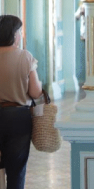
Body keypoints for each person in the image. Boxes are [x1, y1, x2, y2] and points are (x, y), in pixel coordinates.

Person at [0, 15, 43, 189]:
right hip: (18, 119)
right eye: (19, 32)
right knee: (16, 169)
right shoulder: (25, 57)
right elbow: (35, 92)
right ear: (14, 35)